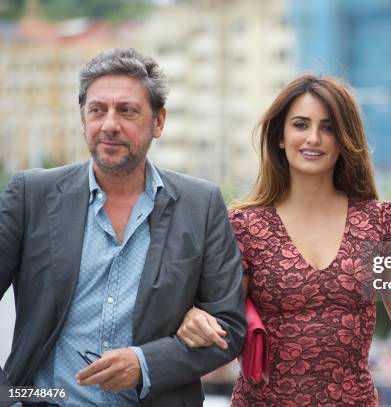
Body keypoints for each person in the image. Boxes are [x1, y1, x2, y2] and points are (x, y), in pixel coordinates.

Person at [176, 74, 391, 405]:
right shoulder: (245, 226)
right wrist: (192, 317)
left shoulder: (379, 222)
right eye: (301, 125)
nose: (313, 138)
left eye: (328, 127)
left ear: (344, 139)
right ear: (280, 136)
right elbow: (227, 326)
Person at [0, 48, 246, 407]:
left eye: (127, 111)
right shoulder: (31, 195)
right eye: (97, 110)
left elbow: (230, 326)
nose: (110, 124)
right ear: (83, 120)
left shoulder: (201, 204)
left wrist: (145, 364)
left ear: (159, 122)